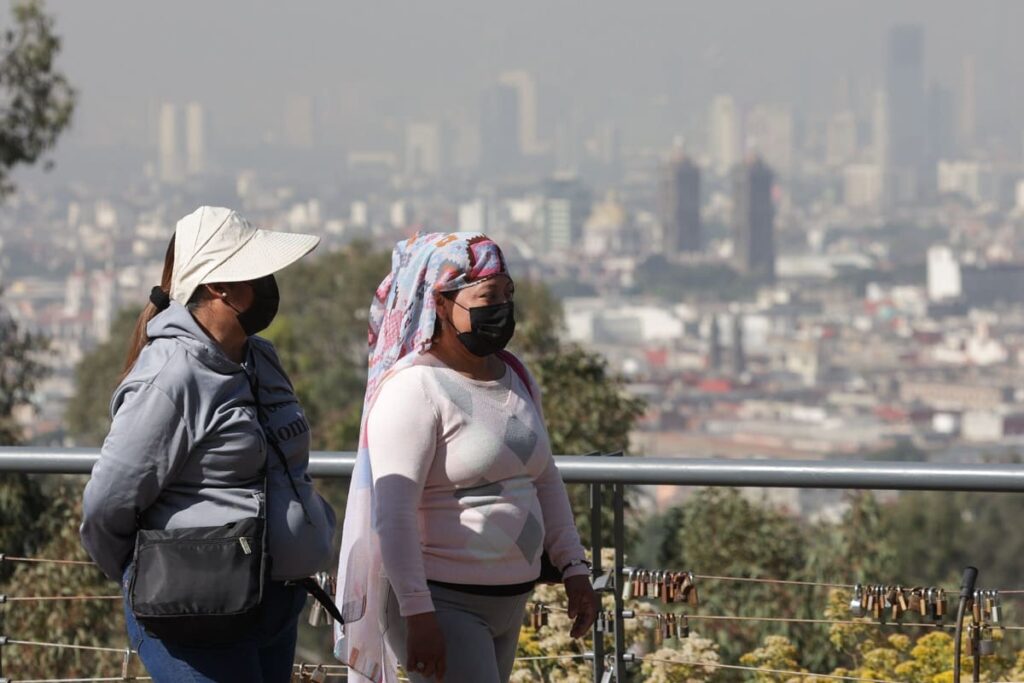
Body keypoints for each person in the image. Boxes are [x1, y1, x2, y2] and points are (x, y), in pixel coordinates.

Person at [80, 206, 337, 682]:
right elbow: (105, 504)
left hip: (273, 606)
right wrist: (144, 573)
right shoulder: (170, 376)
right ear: (221, 287)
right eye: (257, 273)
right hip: (196, 617)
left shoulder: (260, 358)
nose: (270, 284)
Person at [334, 233, 598, 683]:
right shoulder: (415, 389)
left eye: (507, 294)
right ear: (440, 303)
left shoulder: (514, 374)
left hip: (511, 602)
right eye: (487, 297)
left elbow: (544, 478)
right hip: (443, 604)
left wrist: (574, 567)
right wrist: (419, 614)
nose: (502, 309)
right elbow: (393, 515)